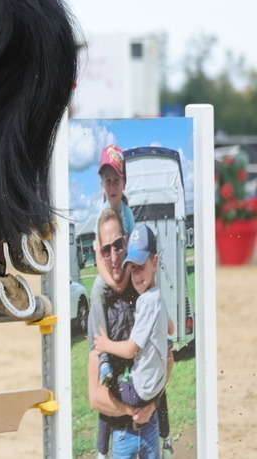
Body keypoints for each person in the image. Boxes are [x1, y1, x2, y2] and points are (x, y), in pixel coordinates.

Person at [87, 208, 165, 459]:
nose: (114, 256)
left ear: (127, 242)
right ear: (99, 254)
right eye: (106, 250)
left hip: (151, 427)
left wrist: (152, 404)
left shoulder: (144, 294)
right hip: (121, 433)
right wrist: (130, 410)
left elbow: (168, 359)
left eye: (119, 245)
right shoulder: (98, 311)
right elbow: (95, 397)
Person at [94, 145, 135, 389]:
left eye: (116, 180)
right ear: (102, 186)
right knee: (97, 289)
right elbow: (100, 258)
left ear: (124, 183)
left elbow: (135, 249)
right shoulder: (101, 214)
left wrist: (127, 276)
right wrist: (113, 283)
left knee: (146, 284)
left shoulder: (128, 214)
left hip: (127, 272)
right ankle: (104, 357)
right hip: (111, 277)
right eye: (107, 181)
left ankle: (153, 337)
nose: (112, 186)